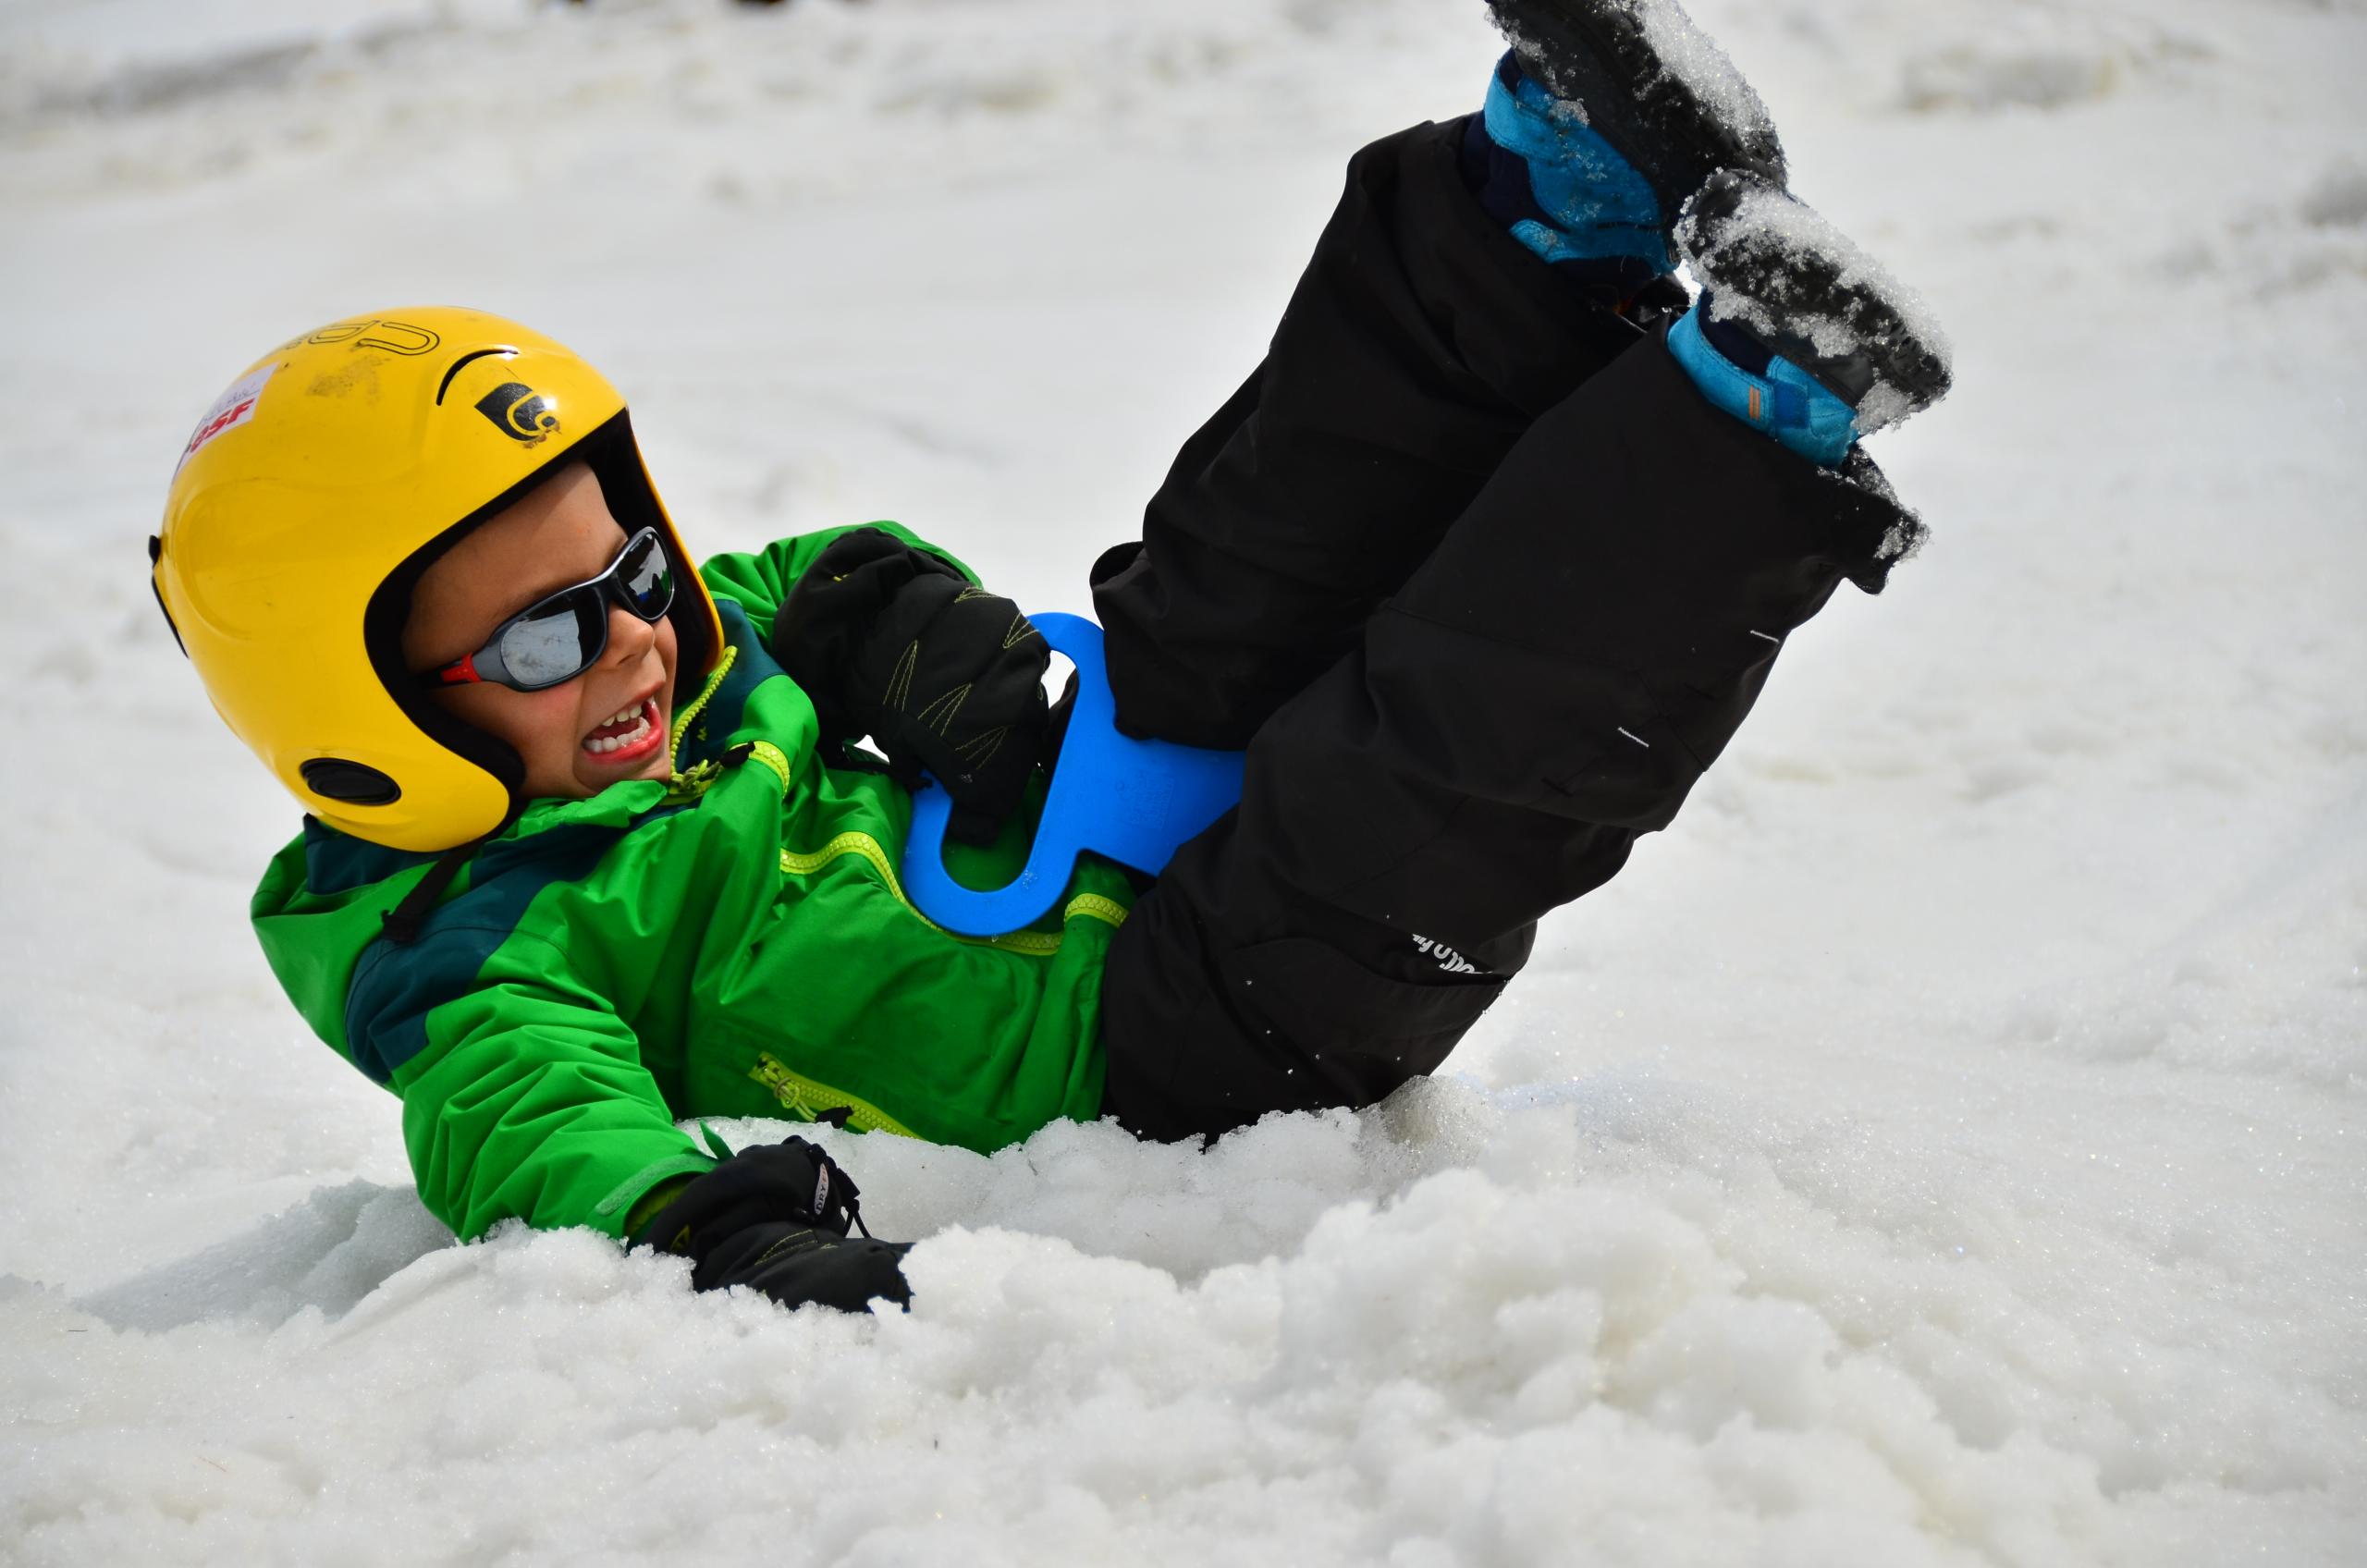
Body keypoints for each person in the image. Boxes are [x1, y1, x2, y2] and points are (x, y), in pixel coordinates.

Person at [148, 0, 1950, 1316]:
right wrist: (700, 1226)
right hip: (1159, 1039)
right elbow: (530, 1122)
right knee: (1435, 773)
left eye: (631, 557)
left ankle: (1540, 216)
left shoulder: (676, 647)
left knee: (1239, 571)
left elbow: (811, 575)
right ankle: (1739, 433)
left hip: (1092, 778)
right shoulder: (471, 955)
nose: (637, 631)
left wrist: (895, 627)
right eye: (551, 630)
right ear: (363, 726)